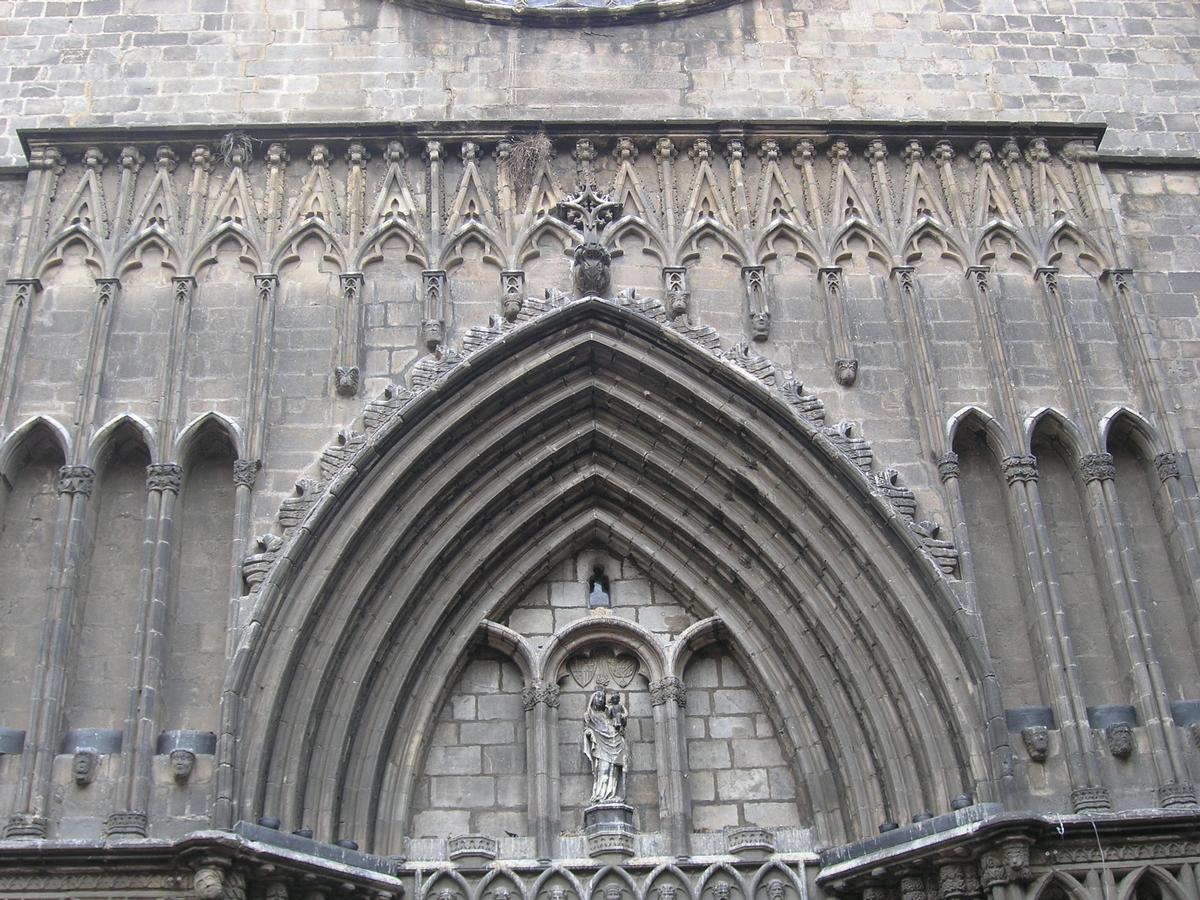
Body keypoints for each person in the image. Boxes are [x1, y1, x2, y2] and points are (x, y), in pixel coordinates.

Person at [582, 687, 627, 802]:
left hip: (615, 743)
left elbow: (618, 723)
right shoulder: (589, 715)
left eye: (602, 697)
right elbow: (587, 729)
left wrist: (622, 719)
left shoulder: (608, 713)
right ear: (593, 699)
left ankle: (613, 794)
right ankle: (601, 795)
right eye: (598, 697)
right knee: (604, 769)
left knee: (614, 769)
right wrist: (589, 733)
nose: (601, 699)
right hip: (601, 745)